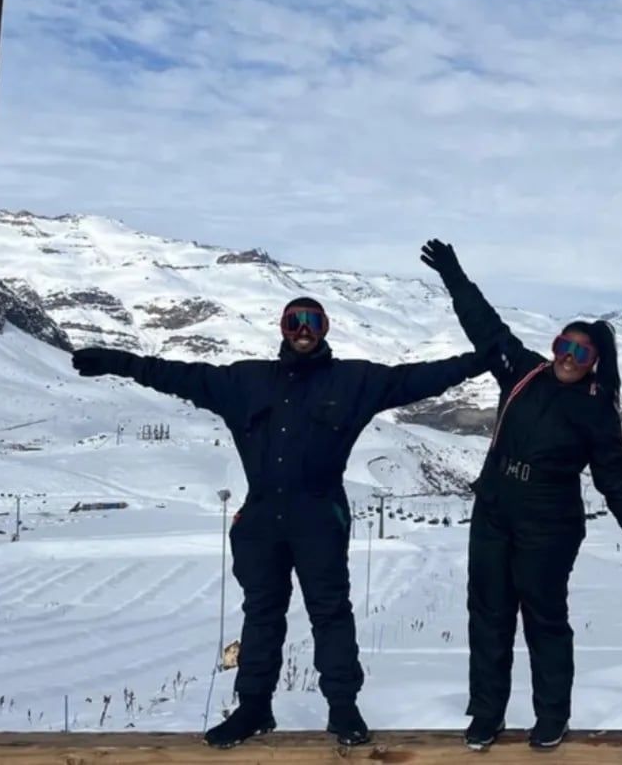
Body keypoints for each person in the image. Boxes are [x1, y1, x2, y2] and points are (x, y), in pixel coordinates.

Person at [70, 297, 489, 749]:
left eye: (312, 321)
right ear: (283, 327)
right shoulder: (243, 381)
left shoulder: (355, 381)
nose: (303, 329)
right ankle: (254, 707)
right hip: (262, 520)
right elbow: (174, 374)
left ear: (325, 328)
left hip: (319, 517)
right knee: (262, 614)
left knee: (330, 613)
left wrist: (481, 359)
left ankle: (343, 707)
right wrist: (118, 361)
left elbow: (419, 378)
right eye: (295, 321)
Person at [418, 240, 622, 752]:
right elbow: (485, 326)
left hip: (549, 526)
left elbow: (616, 481)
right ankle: (487, 714)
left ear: (595, 364)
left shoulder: (596, 411)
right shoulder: (523, 370)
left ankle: (552, 716)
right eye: (563, 345)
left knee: (544, 619)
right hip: (493, 513)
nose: (567, 358)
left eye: (581, 353)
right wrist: (454, 274)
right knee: (487, 616)